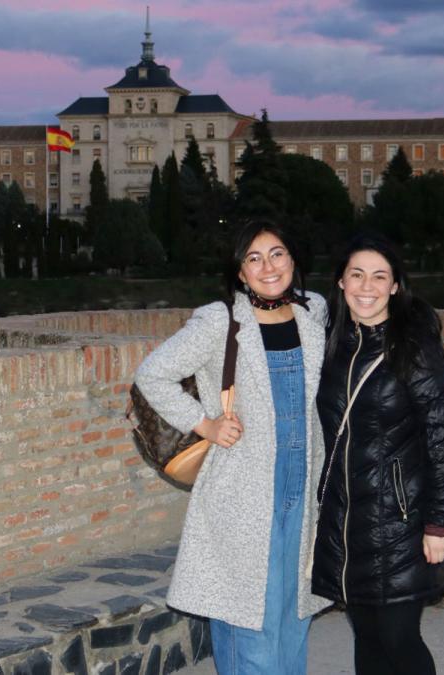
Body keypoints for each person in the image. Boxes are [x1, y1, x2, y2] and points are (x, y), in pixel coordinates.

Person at [134, 220, 331, 674]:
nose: (268, 266)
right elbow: (152, 373)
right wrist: (204, 424)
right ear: (240, 272)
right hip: (243, 488)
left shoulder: (312, 312)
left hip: (302, 487)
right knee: (248, 613)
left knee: (292, 606)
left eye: (277, 253)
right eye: (254, 258)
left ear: (293, 259)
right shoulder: (218, 321)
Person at [312, 232, 444, 675]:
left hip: (401, 518)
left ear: (395, 285)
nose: (367, 286)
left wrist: (440, 522)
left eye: (380, 276)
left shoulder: (413, 346)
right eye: (356, 274)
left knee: (399, 638)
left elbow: (442, 436)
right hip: (347, 518)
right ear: (340, 281)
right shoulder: (333, 345)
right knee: (369, 638)